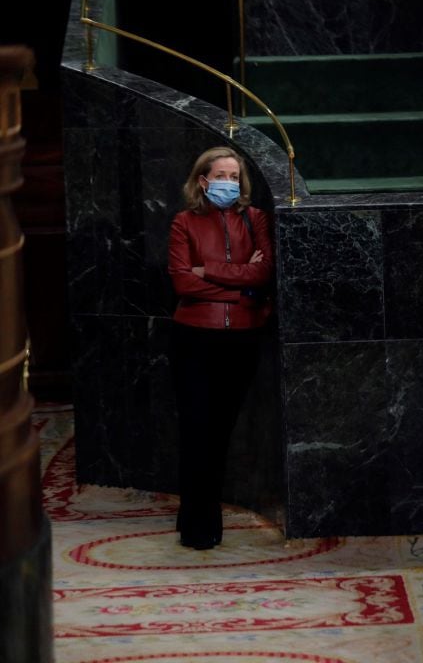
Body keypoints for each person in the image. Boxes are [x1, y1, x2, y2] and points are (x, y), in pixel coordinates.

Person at [167, 147, 273, 550]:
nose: (229, 182)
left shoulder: (255, 218)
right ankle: (197, 526)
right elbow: (182, 283)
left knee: (221, 432)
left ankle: (198, 516)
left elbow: (264, 272)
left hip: (241, 338)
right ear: (203, 180)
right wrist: (241, 287)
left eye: (235, 175)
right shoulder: (184, 223)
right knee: (197, 431)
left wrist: (209, 272)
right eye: (222, 175)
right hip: (194, 336)